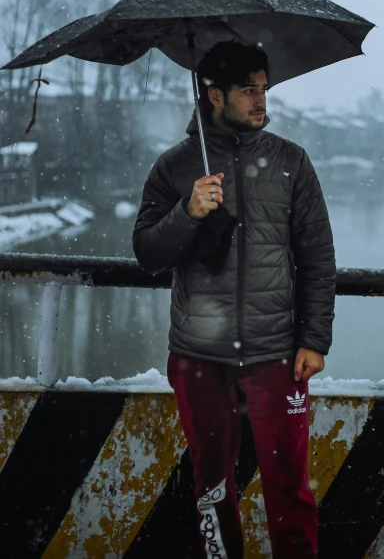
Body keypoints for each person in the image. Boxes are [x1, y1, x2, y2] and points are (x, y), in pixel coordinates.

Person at [132, 41, 336, 559]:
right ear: (214, 94)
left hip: (276, 355)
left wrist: (314, 338)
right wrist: (189, 211)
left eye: (264, 88)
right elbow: (147, 254)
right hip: (199, 355)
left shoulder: (290, 161)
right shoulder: (176, 167)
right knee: (212, 488)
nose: (261, 100)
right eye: (249, 89)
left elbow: (317, 257)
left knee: (289, 489)